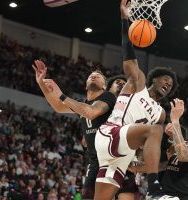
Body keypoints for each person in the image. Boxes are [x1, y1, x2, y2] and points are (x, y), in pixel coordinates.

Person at [93, 1, 178, 200]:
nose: (168, 84)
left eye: (171, 85)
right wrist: (125, 19)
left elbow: (147, 147)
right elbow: (128, 52)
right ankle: (154, 189)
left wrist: (140, 163)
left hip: (123, 154)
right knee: (154, 130)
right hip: (110, 134)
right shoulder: (137, 82)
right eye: (165, 80)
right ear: (153, 78)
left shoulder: (161, 113)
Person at [32, 60, 118, 199]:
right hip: (94, 161)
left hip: (111, 159)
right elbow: (58, 107)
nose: (93, 76)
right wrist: (41, 82)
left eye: (98, 76)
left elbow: (91, 112)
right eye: (91, 75)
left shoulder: (108, 97)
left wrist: (61, 95)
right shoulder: (82, 105)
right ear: (85, 86)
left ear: (104, 86)